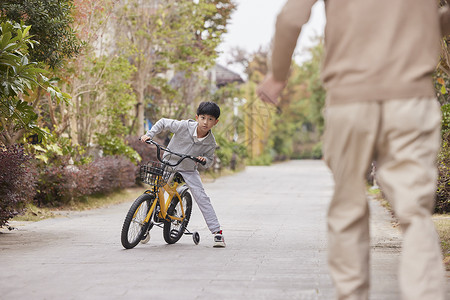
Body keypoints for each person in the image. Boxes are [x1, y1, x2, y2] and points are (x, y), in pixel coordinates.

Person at [257, 1, 450, 299]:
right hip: (411, 98)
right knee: (415, 212)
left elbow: (290, 17)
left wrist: (278, 75)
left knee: (347, 206)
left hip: (349, 99)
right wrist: (422, 26)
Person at [140, 101, 225, 248]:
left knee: (201, 196)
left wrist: (204, 160)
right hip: (168, 163)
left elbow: (210, 159)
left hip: (188, 169)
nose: (206, 122)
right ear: (197, 117)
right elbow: (163, 122)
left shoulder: (210, 142)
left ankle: (217, 232)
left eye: (210, 119)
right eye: (203, 117)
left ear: (215, 122)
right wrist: (149, 134)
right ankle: (146, 226)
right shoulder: (184, 126)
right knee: (156, 190)